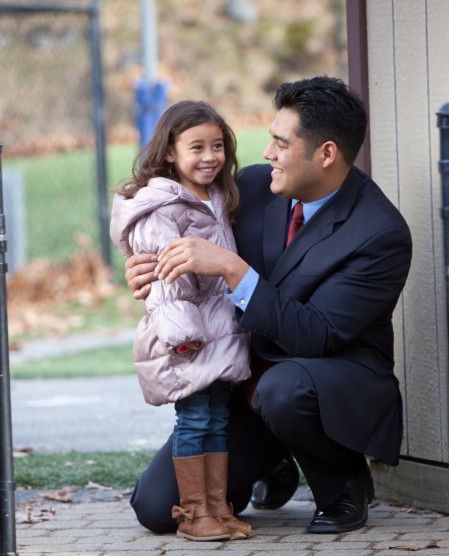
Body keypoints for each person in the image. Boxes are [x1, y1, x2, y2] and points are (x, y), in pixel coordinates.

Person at [124, 76, 413, 535]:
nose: (266, 153)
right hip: (244, 377)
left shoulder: (379, 234)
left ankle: (343, 482)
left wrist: (235, 270)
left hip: (325, 381)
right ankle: (272, 460)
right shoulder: (254, 187)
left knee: (284, 391)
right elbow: (180, 231)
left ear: (326, 154)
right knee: (158, 508)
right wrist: (149, 268)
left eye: (280, 142)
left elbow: (316, 334)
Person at [109, 100, 255, 541]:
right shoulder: (161, 207)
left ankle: (216, 508)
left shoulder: (215, 198)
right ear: (170, 151)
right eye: (196, 147)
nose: (209, 157)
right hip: (189, 338)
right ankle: (194, 513)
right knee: (193, 421)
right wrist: (183, 336)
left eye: (217, 146)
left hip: (218, 334)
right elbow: (164, 281)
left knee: (215, 419)